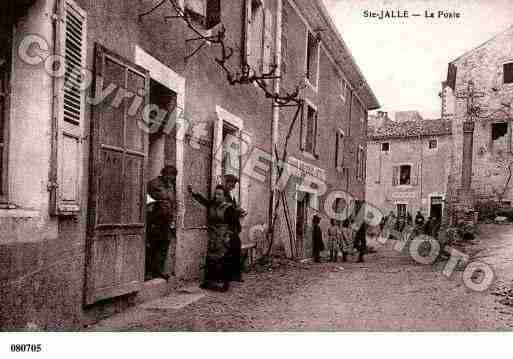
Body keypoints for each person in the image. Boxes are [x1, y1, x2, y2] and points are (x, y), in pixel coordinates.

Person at [188, 184, 243, 292]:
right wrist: (194, 193)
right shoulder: (212, 204)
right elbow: (203, 201)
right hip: (213, 235)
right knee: (211, 257)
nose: (216, 196)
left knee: (223, 258)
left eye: (219, 194)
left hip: (224, 235)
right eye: (215, 194)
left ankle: (224, 283)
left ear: (224, 196)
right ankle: (208, 281)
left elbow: (235, 225)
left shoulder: (229, 208)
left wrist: (228, 236)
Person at [146, 165, 177, 280]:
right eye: (168, 176)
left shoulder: (170, 186)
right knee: (152, 245)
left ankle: (159, 270)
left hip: (167, 221)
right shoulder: (153, 184)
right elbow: (145, 198)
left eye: (172, 177)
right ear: (163, 173)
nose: (170, 179)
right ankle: (148, 271)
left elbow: (172, 203)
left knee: (164, 245)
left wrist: (173, 220)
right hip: (155, 220)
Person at [222, 174, 247, 282]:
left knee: (236, 249)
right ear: (226, 182)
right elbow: (226, 210)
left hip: (233, 226)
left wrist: (240, 210)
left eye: (234, 183)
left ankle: (235, 274)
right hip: (226, 227)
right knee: (230, 251)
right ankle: (228, 275)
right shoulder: (222, 194)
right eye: (230, 182)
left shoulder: (230, 195)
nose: (232, 185)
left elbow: (233, 208)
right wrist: (237, 211)